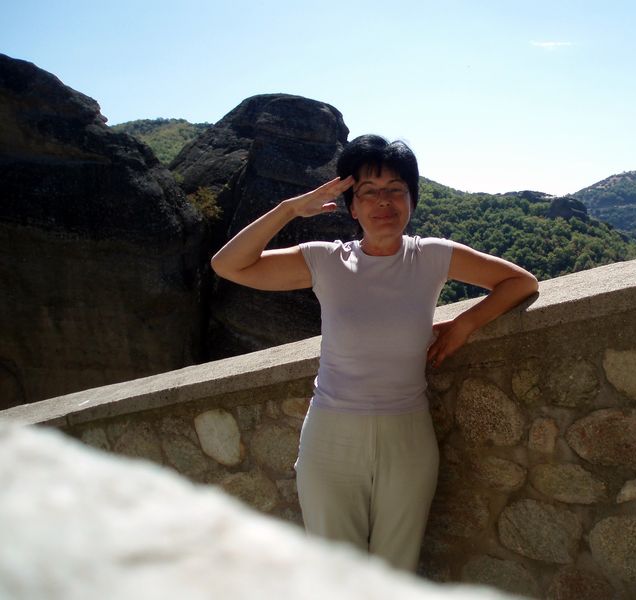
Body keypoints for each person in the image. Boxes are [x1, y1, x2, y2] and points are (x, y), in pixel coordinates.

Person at [210, 134, 538, 571]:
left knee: (394, 571)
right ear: (352, 206)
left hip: (407, 436)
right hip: (331, 437)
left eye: (395, 189)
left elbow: (521, 283)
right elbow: (228, 265)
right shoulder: (325, 261)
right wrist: (290, 209)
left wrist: (464, 324)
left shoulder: (432, 256)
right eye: (369, 192)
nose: (384, 201)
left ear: (411, 200)